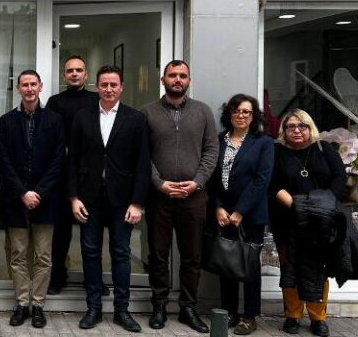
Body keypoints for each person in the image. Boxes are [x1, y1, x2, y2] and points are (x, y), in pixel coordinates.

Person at [68, 65, 150, 332]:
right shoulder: (82, 117)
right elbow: (72, 160)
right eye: (104, 84)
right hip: (88, 198)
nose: (109, 89)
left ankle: (121, 310)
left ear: (122, 87)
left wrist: (137, 202)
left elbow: (142, 163)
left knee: (121, 253)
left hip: (122, 200)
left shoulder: (135, 119)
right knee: (90, 253)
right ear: (97, 86)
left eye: (114, 84)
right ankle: (93, 309)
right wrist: (73, 197)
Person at [141, 60, 218, 333]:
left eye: (182, 75)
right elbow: (142, 154)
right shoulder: (147, 112)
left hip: (193, 197)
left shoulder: (203, 111)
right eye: (172, 75)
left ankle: (188, 308)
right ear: (163, 79)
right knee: (158, 255)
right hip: (158, 197)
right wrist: (159, 183)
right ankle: (159, 305)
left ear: (189, 80)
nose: (177, 79)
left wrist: (196, 183)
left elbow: (211, 150)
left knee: (192, 255)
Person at [269, 109, 347, 337]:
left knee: (318, 268)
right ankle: (292, 316)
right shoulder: (277, 152)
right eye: (291, 126)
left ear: (310, 127)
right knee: (290, 266)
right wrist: (296, 206)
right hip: (287, 217)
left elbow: (339, 178)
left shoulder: (324, 149)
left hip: (321, 220)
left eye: (302, 125)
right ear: (284, 130)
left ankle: (318, 318)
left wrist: (324, 204)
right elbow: (272, 183)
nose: (297, 130)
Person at [0, 70, 65, 328]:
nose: (29, 89)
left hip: (46, 199)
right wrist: (22, 192)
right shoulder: (6, 121)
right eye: (24, 85)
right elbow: (3, 160)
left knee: (43, 257)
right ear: (18, 89)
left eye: (33, 84)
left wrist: (39, 192)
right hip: (15, 199)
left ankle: (38, 305)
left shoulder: (55, 120)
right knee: (18, 254)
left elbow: (58, 160)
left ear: (41, 86)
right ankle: (22, 303)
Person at [209, 94, 274, 335]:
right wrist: (218, 206)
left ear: (253, 116)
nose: (240, 115)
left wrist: (240, 211)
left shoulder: (263, 142)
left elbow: (262, 179)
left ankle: (250, 316)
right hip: (222, 214)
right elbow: (212, 177)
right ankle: (229, 312)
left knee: (249, 266)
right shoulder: (219, 140)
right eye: (236, 110)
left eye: (246, 111)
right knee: (227, 264)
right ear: (229, 114)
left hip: (250, 215)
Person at [46, 55, 99, 296]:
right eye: (70, 70)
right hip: (61, 175)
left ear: (86, 75)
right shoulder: (55, 102)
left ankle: (93, 280)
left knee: (92, 232)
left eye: (79, 70)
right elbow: (51, 137)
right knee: (61, 232)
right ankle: (58, 277)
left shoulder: (97, 100)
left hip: (91, 175)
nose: (74, 73)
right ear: (64, 75)